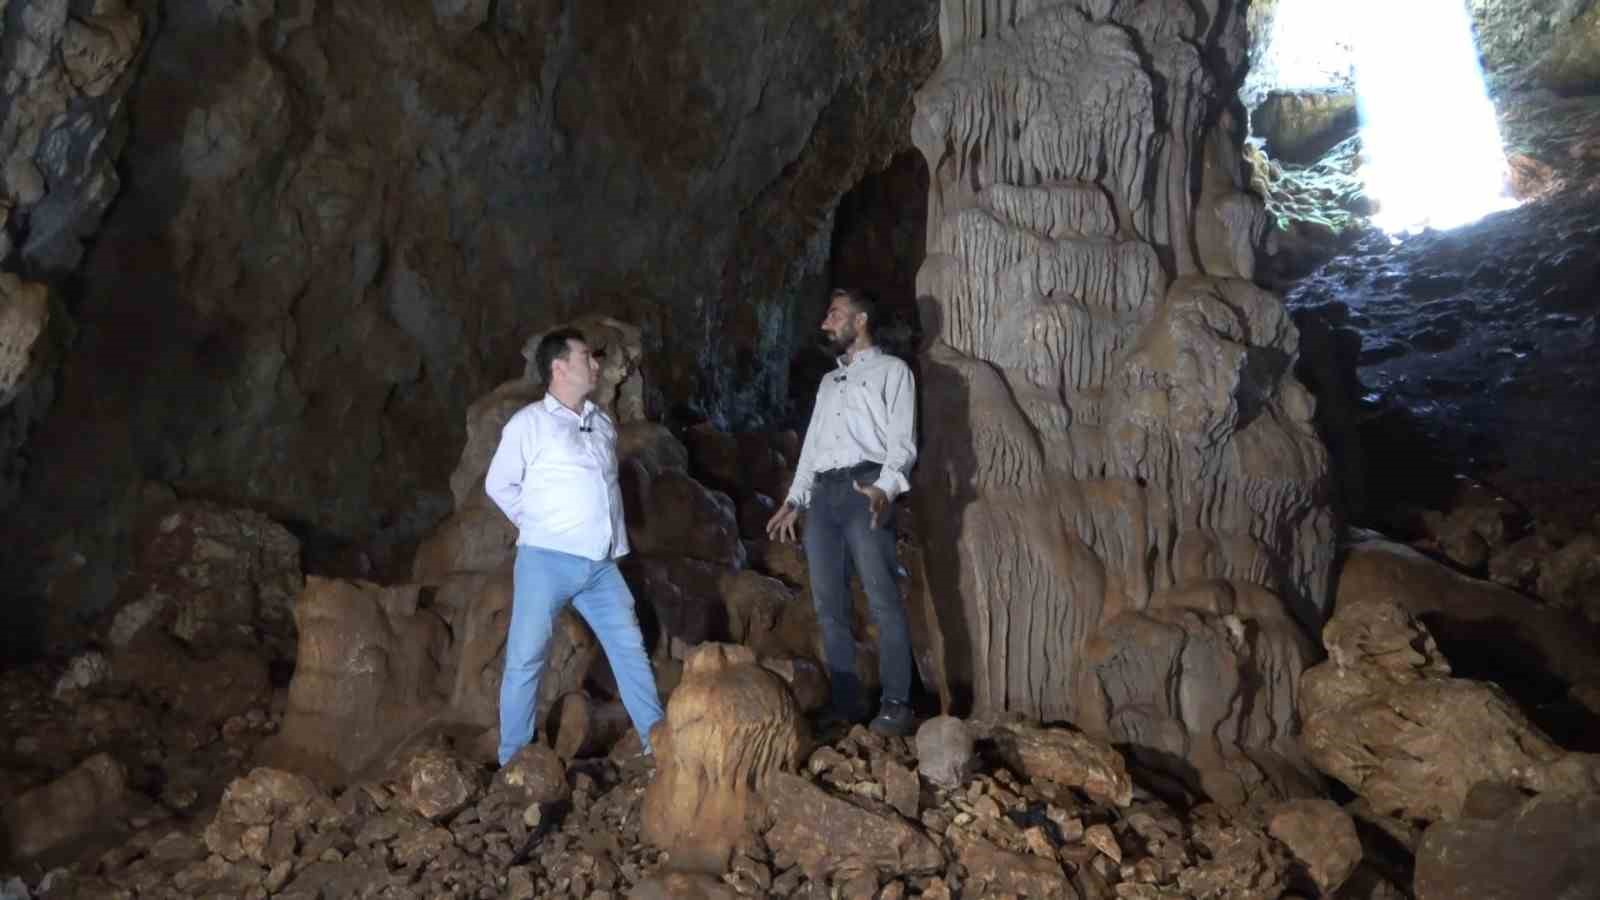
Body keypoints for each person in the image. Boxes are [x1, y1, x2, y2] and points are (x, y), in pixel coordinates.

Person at [485, 328, 662, 766]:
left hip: (601, 565)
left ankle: (657, 742)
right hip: (545, 562)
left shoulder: (601, 422)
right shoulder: (529, 423)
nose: (596, 364)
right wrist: (537, 525)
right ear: (559, 367)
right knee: (527, 658)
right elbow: (498, 484)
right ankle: (514, 759)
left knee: (630, 648)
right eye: (587, 357)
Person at [766, 288, 919, 736]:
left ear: (861, 319)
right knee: (828, 605)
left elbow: (903, 443)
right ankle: (847, 703)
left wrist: (885, 489)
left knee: (882, 598)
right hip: (825, 496)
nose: (825, 323)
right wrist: (796, 499)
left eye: (834, 314)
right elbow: (813, 446)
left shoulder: (894, 371)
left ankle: (896, 705)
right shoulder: (828, 383)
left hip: (865, 486)